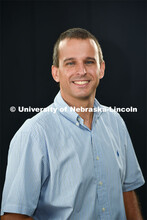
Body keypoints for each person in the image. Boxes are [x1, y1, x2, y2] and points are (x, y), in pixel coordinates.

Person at [0, 28, 145, 220]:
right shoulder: (34, 134)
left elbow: (127, 191)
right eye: (70, 63)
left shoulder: (116, 122)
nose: (82, 71)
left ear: (101, 69)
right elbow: (13, 216)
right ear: (56, 73)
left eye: (89, 62)